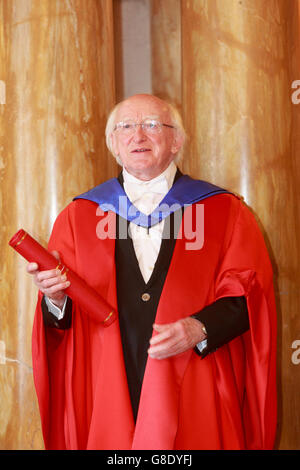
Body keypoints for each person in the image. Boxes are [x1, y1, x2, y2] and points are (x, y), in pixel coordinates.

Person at [27, 94, 277, 450]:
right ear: (113, 144)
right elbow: (61, 323)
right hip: (107, 385)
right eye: (125, 127)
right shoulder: (78, 217)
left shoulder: (224, 211)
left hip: (193, 378)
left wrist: (200, 328)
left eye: (152, 125)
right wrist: (53, 298)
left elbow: (249, 295)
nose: (137, 136)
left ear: (177, 141)